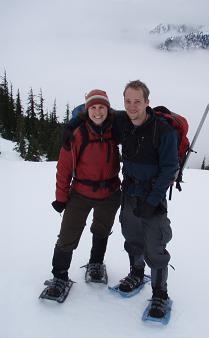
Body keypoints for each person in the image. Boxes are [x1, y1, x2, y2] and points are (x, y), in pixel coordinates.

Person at [64, 80, 179, 319]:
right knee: (132, 239)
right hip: (128, 194)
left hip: (152, 198)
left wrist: (153, 200)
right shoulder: (122, 121)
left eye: (138, 101)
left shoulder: (163, 131)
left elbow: (169, 168)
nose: (132, 106)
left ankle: (160, 294)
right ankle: (137, 274)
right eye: (128, 101)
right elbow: (90, 111)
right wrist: (73, 123)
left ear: (147, 102)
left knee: (155, 247)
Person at [46, 89, 121, 298]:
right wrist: (61, 198)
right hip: (80, 192)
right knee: (68, 234)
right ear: (87, 110)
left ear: (108, 108)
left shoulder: (116, 129)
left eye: (102, 107)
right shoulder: (77, 133)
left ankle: (96, 263)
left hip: (110, 192)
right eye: (93, 108)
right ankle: (59, 276)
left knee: (101, 230)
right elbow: (64, 168)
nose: (98, 112)